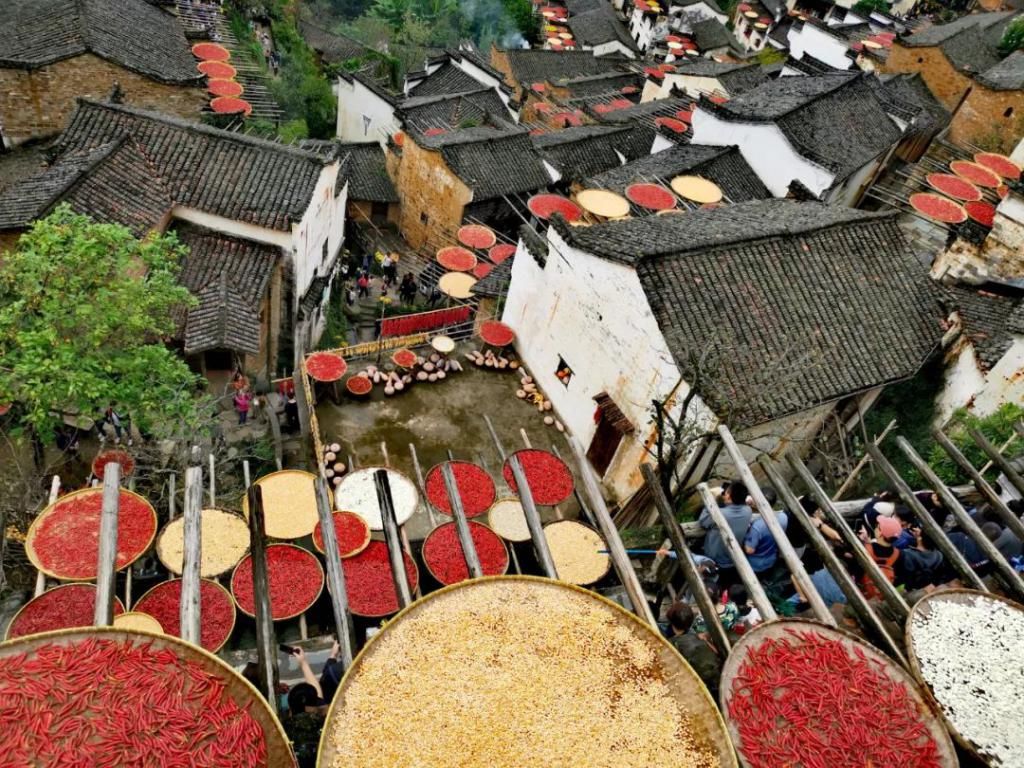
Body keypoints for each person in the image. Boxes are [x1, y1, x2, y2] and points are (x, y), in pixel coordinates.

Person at [665, 602, 722, 699]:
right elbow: (715, 653)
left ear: (670, 620)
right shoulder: (699, 638)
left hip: (697, 679)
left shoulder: (672, 644)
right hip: (711, 677)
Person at [283, 648, 327, 768]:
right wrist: (303, 663)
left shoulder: (286, 729)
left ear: (291, 712)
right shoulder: (323, 722)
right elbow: (318, 693)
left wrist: (302, 663)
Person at [698, 481, 752, 577]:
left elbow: (703, 522)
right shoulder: (748, 511)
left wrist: (712, 500)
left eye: (726, 492)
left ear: (728, 497)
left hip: (713, 557)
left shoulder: (720, 514)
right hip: (732, 557)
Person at [858, 515, 902, 600]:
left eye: (877, 527)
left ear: (880, 533)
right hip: (881, 596)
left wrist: (865, 543)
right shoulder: (898, 554)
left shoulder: (865, 548)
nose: (876, 528)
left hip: (863, 593)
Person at [743, 507, 788, 574]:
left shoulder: (757, 526)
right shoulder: (783, 517)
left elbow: (749, 550)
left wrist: (745, 540)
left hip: (755, 564)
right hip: (771, 558)